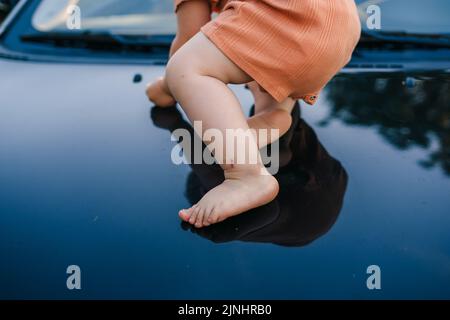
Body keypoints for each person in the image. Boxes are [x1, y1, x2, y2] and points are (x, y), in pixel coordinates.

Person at [146, 0, 360, 228]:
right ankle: (273, 111)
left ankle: (247, 176)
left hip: (289, 22)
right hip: (338, 31)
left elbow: (188, 43)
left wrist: (164, 89)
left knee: (187, 67)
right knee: (257, 53)